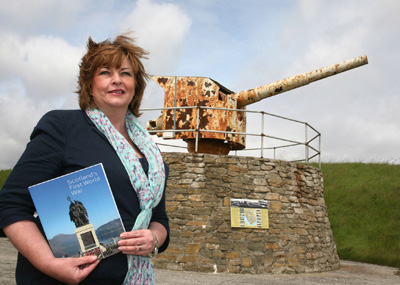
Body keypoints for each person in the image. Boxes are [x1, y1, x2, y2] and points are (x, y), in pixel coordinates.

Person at [0, 34, 169, 284]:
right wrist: (50, 264)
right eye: (105, 72)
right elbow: (11, 204)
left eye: (125, 73)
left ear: (136, 86)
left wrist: (153, 238)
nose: (116, 80)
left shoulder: (153, 157)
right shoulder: (63, 127)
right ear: (89, 84)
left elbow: (159, 219)